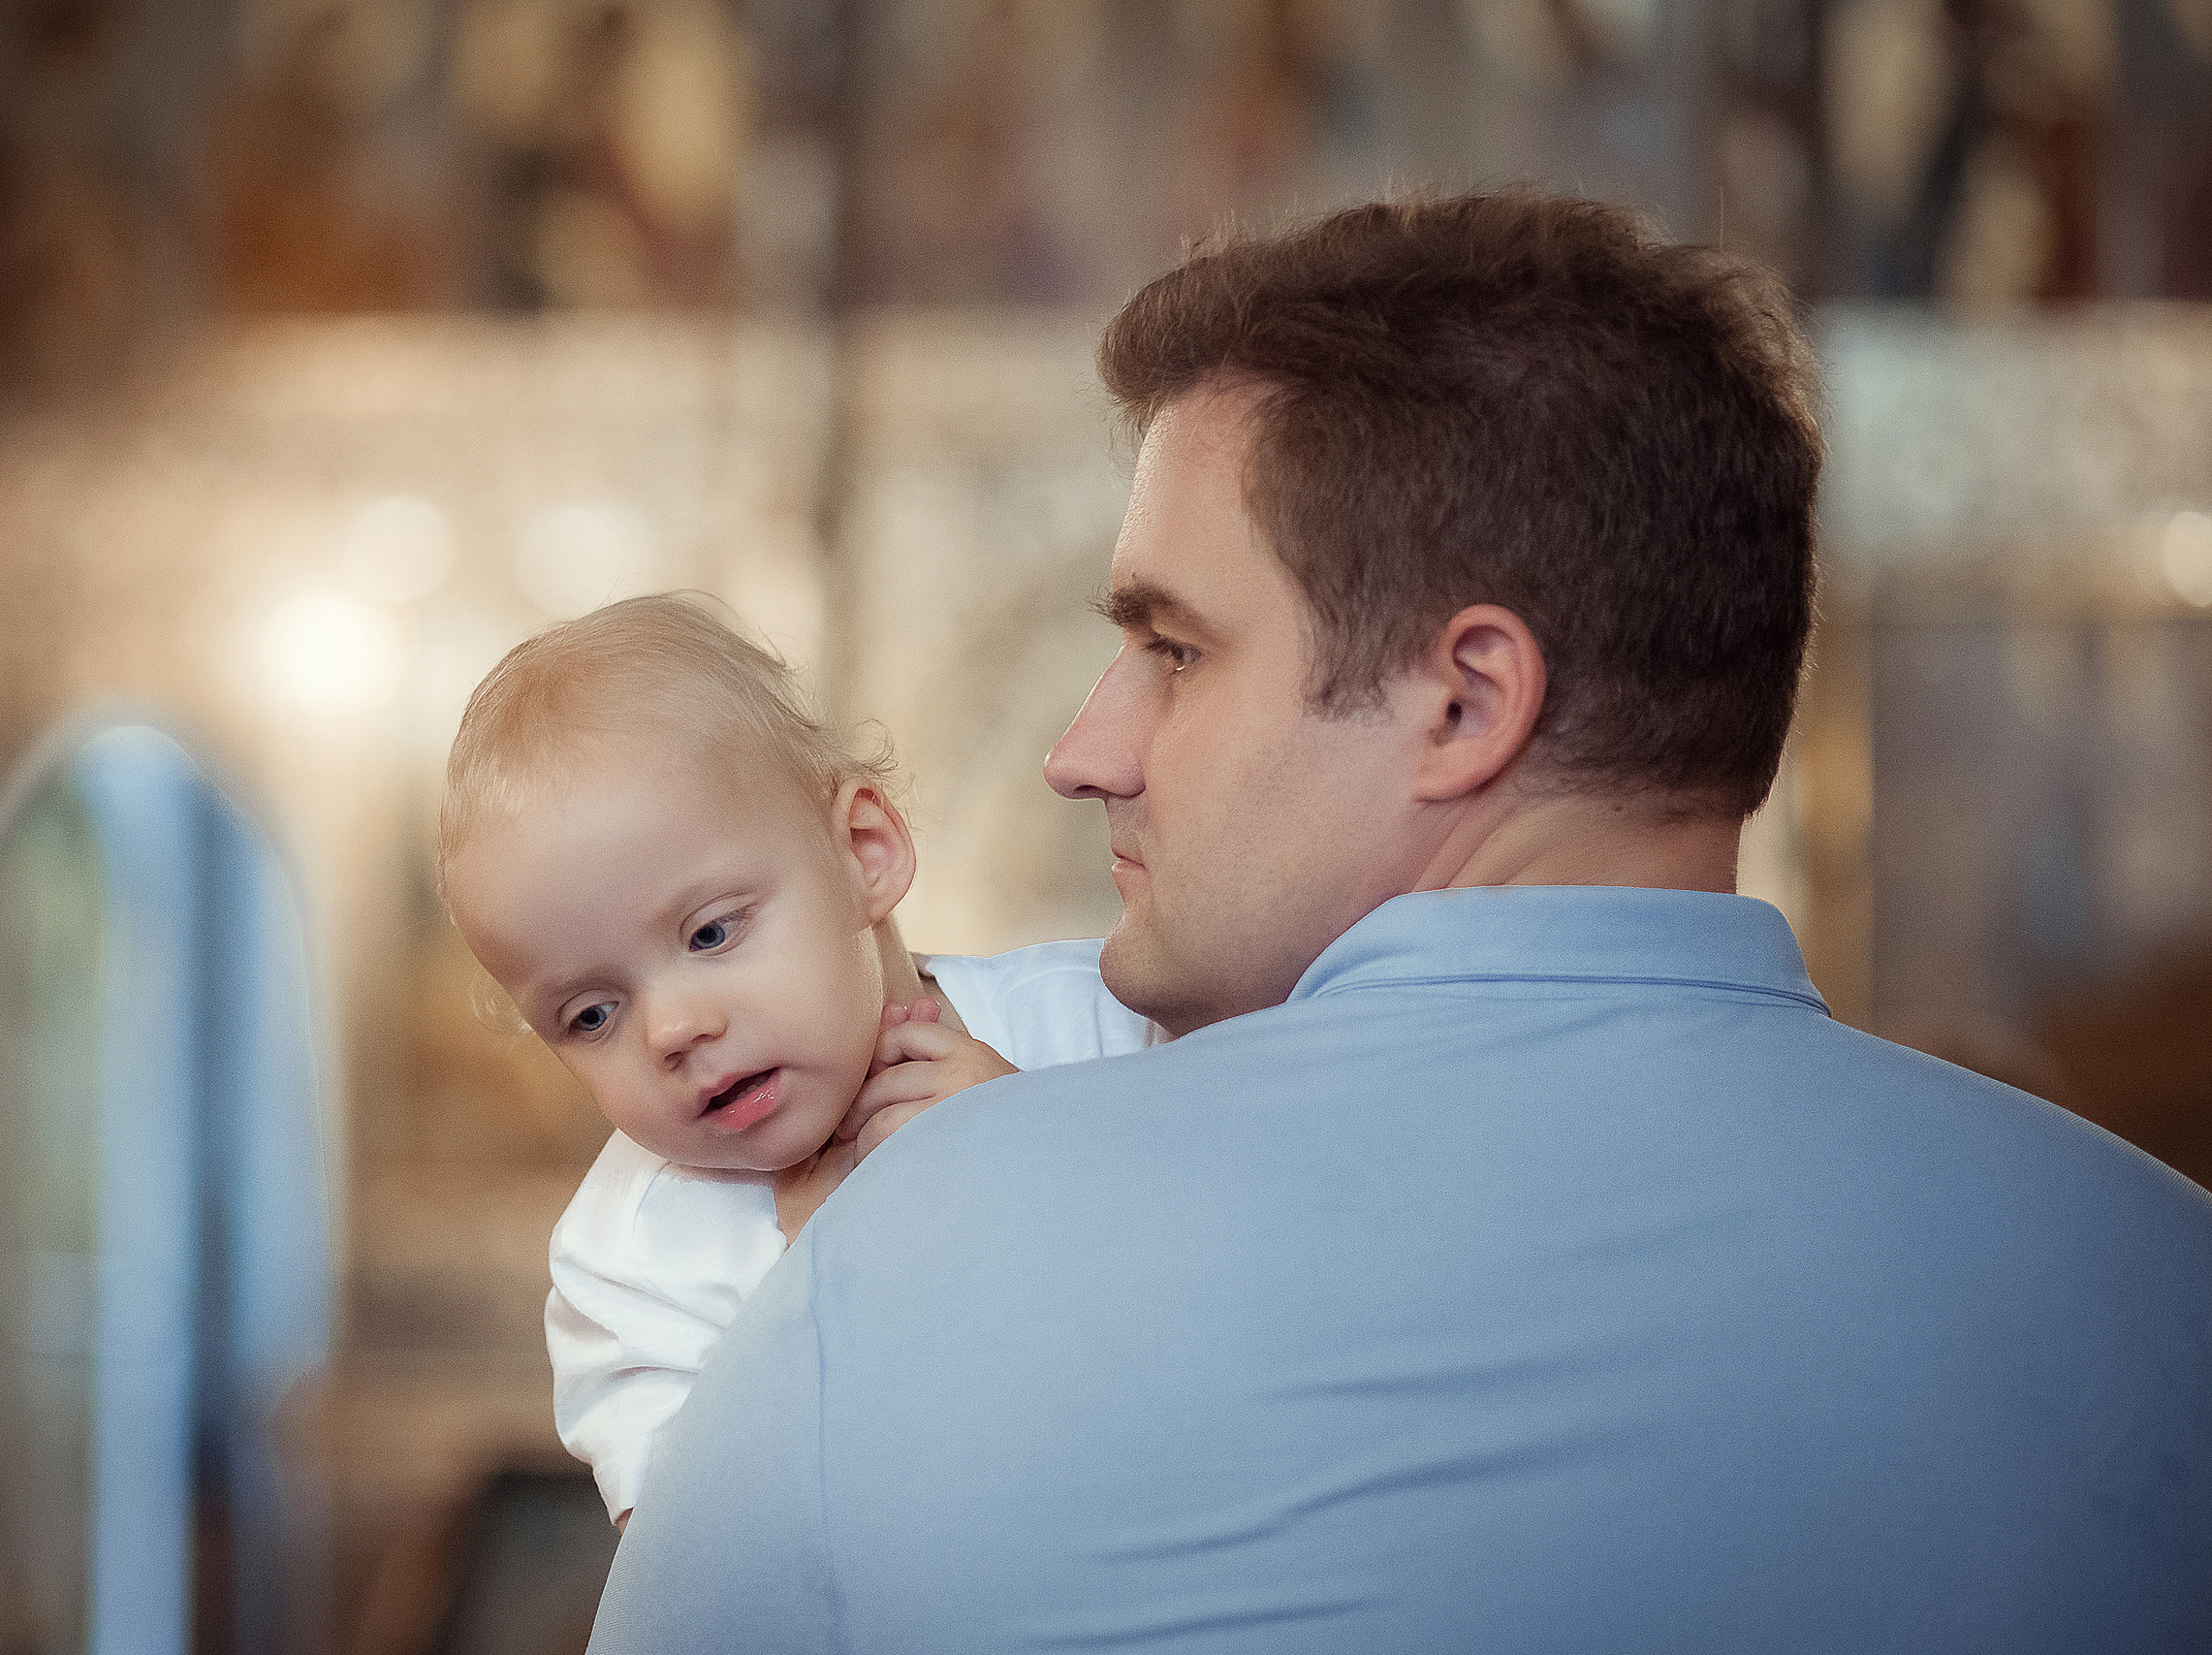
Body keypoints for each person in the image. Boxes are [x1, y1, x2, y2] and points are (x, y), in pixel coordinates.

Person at [586, 192, 2212, 1652]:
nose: (1083, 751)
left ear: (1464, 698)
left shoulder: (900, 1242)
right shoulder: (2163, 1289)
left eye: (1172, 648)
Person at [437, 595, 1157, 1527]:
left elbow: (1231, 1299)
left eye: (710, 931)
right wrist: (832, 1280)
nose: (671, 1030)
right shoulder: (627, 1260)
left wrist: (1034, 1154)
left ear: (864, 852)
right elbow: (706, 1585)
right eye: (592, 1013)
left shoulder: (1099, 1025)